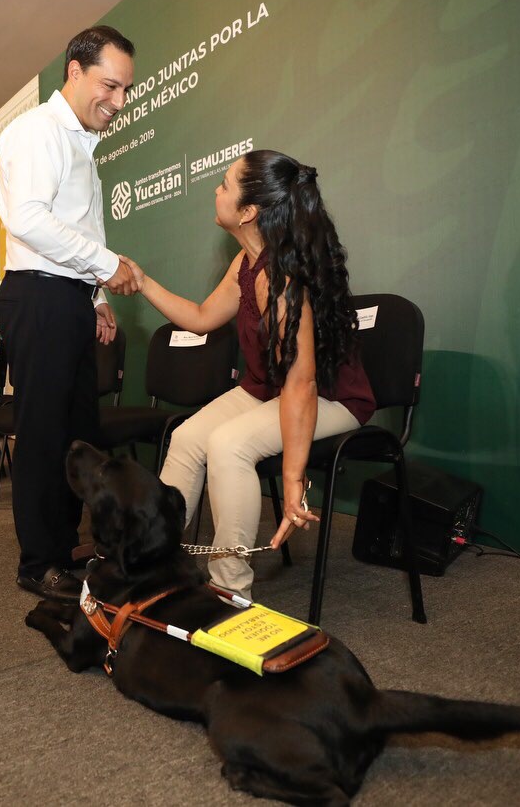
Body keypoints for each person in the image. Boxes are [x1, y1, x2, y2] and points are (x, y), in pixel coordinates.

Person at [122, 150, 376, 598]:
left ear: (248, 211)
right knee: (186, 437)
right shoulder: (246, 264)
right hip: (268, 390)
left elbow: (303, 384)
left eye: (224, 185)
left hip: (331, 398)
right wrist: (143, 282)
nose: (216, 191)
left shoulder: (281, 278)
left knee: (229, 446)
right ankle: (154, 560)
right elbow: (201, 316)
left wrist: (295, 480)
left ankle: (229, 592)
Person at [0, 25, 141, 603]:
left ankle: (65, 542)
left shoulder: (82, 142)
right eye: (111, 84)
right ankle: (39, 561)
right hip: (37, 296)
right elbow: (29, 220)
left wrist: (97, 296)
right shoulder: (35, 132)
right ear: (75, 72)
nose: (120, 101)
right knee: (42, 434)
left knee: (79, 433)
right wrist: (105, 266)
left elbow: (79, 227)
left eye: (126, 89)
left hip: (71, 298)